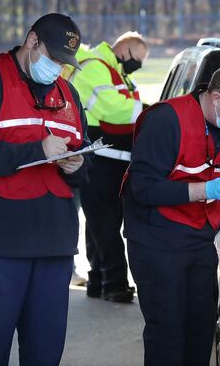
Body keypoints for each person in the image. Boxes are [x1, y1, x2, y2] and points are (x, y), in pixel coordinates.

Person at [123, 61, 220, 365]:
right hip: (156, 238)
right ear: (216, 98)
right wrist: (205, 190)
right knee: (167, 330)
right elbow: (142, 188)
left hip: (201, 237)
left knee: (201, 327)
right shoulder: (168, 120)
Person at [0, 13, 90, 365]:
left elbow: (84, 155)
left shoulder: (68, 93)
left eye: (64, 62)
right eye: (54, 58)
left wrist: (78, 165)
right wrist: (35, 151)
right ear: (32, 41)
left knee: (45, 351)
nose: (57, 68)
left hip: (55, 245)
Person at [64, 32, 148, 302]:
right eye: (138, 59)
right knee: (106, 221)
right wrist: (148, 111)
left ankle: (99, 281)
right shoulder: (96, 69)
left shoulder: (116, 71)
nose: (138, 65)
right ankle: (114, 284)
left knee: (99, 221)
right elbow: (112, 110)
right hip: (99, 160)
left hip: (111, 161)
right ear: (124, 49)